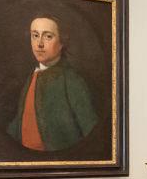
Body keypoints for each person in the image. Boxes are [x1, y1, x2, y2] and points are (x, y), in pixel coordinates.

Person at [8, 14, 97, 153]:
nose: (39, 44)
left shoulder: (71, 80)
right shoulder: (33, 76)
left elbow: (91, 130)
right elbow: (20, 121)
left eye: (48, 36)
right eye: (35, 35)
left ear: (61, 42)